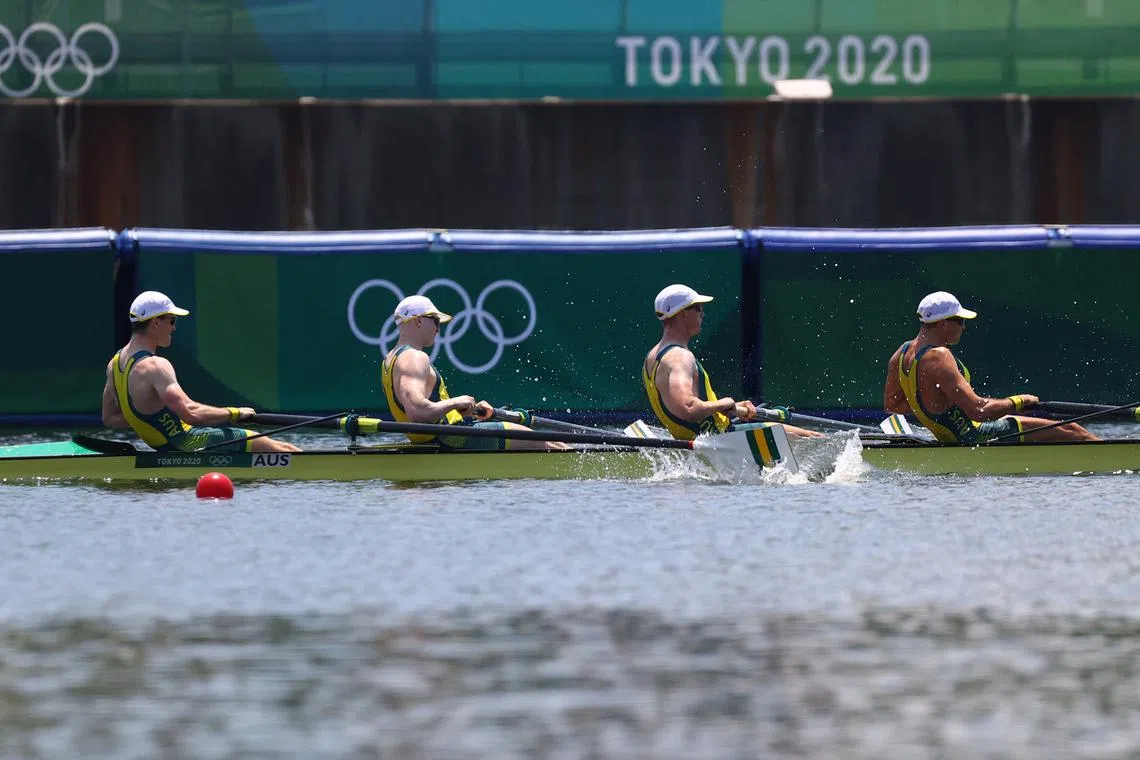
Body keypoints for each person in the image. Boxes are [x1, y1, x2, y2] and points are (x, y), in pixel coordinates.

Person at [883, 290, 1097, 443]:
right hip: (974, 436)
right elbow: (979, 411)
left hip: (954, 434)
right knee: (1073, 430)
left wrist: (938, 405)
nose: (964, 327)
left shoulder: (900, 354)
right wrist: (1020, 400)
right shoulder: (939, 356)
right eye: (960, 321)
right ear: (943, 323)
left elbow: (893, 405)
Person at [101, 291, 301, 453]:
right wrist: (235, 413)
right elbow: (190, 413)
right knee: (280, 449)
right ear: (155, 323)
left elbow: (109, 418)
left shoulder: (114, 364)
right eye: (171, 321)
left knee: (273, 446)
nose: (174, 328)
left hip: (167, 446)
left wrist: (150, 423)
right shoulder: (155, 366)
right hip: (189, 443)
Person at [382, 295, 567, 450]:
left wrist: (463, 411)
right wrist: (456, 401)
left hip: (439, 438)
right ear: (419, 320)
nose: (438, 328)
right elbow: (416, 412)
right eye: (436, 321)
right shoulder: (415, 357)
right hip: (452, 440)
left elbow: (422, 413)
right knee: (542, 442)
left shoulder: (389, 360)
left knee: (547, 441)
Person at [642, 284, 824, 441]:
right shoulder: (680, 357)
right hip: (719, 438)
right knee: (810, 437)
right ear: (682, 314)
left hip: (702, 436)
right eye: (698, 308)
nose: (703, 314)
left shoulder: (652, 357)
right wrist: (725, 403)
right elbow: (687, 407)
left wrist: (733, 407)